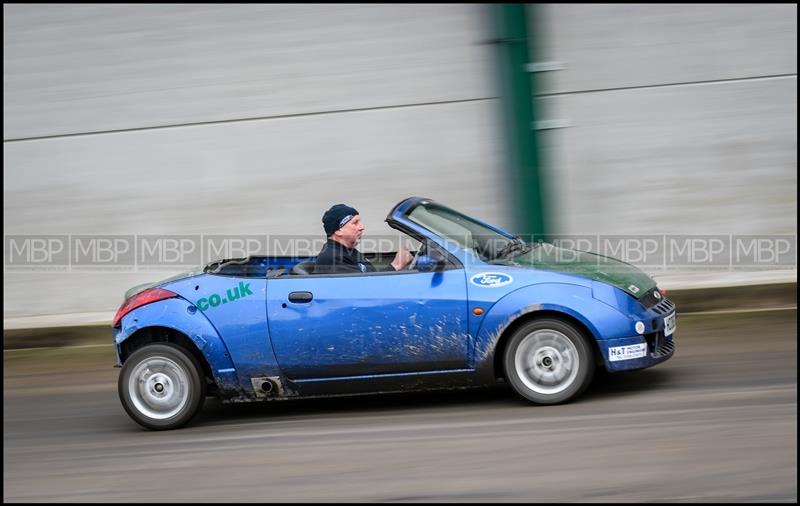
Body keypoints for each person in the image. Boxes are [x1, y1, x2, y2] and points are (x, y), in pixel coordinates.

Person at [315, 203, 413, 274]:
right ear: (338, 231)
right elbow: (365, 289)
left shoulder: (347, 251)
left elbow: (370, 277)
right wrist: (396, 266)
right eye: (355, 223)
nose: (362, 227)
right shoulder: (333, 259)